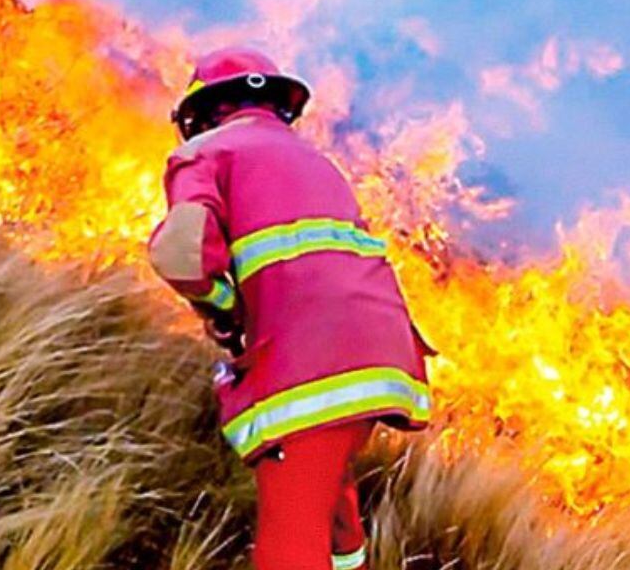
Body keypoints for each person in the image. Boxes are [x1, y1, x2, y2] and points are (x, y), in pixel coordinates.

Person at [148, 47, 433, 570]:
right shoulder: (317, 162)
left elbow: (180, 254)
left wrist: (224, 308)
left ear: (206, 112)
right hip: (384, 355)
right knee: (332, 498)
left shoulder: (208, 151)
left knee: (290, 545)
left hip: (309, 365)